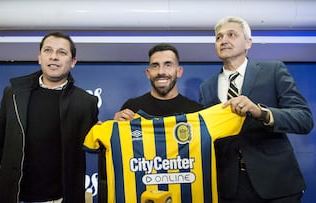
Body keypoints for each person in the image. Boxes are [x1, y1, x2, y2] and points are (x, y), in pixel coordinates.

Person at [0, 32, 99, 203]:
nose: (54, 57)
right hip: (14, 198)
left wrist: (117, 125)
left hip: (60, 199)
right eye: (48, 50)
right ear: (40, 57)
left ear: (73, 62)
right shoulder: (14, 94)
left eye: (62, 52)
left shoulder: (86, 102)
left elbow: (96, 143)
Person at [199, 16, 314, 203]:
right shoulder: (207, 87)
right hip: (229, 188)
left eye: (231, 35)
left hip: (276, 183)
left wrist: (262, 112)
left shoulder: (273, 70)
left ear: (248, 43)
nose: (223, 40)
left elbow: (304, 119)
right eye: (218, 37)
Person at [97, 43, 204, 202]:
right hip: (141, 194)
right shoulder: (132, 108)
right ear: (148, 73)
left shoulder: (196, 112)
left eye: (168, 65)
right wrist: (114, 129)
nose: (161, 72)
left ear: (179, 71)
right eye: (155, 66)